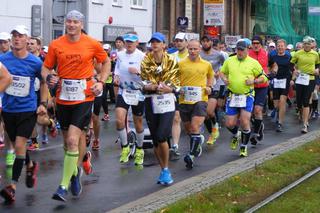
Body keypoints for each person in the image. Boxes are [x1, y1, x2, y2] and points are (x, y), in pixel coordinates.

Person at [40, 10, 110, 202]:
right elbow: (46, 67)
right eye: (68, 22)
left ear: (81, 24)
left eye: (75, 22)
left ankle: (62, 187)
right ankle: (74, 172)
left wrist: (101, 82)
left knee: (72, 140)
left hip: (85, 96)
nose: (71, 25)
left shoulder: (92, 43)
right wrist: (48, 76)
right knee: (67, 142)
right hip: (63, 97)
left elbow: (106, 62)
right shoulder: (56, 44)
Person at [0, 25, 45, 203]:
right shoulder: (3, 60)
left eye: (20, 36)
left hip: (27, 109)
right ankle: (30, 165)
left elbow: (43, 82)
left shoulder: (35, 62)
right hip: (9, 109)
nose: (17, 39)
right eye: (14, 36)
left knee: (19, 144)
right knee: (17, 144)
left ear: (27, 40)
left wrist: (42, 103)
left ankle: (12, 187)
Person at [140, 32, 179, 185]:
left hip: (167, 101)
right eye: (152, 42)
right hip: (151, 100)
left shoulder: (171, 60)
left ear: (164, 45)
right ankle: (163, 170)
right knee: (156, 139)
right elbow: (143, 82)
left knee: (162, 135)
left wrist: (170, 88)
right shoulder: (146, 60)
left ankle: (167, 168)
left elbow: (176, 82)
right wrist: (152, 86)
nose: (154, 45)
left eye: (158, 42)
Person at [221, 40, 267, 157]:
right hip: (233, 95)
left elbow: (264, 77)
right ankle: (237, 134)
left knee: (244, 121)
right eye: (238, 50)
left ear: (247, 50)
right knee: (229, 123)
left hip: (247, 96)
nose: (240, 52)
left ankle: (243, 146)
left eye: (242, 50)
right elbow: (222, 73)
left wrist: (255, 80)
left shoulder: (253, 62)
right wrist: (224, 79)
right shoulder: (230, 60)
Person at [179, 39, 214, 168]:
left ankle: (191, 155)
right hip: (184, 100)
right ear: (188, 49)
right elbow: (175, 79)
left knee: (194, 127)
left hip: (200, 99)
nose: (193, 51)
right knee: (189, 130)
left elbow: (211, 76)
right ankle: (198, 140)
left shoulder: (206, 64)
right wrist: (178, 88)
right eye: (191, 49)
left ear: (199, 49)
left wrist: (209, 86)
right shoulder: (181, 64)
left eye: (195, 49)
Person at [114, 33, 145, 165]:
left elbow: (149, 75)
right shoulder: (120, 55)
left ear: (137, 43)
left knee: (138, 123)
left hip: (138, 92)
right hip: (124, 91)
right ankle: (125, 147)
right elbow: (117, 70)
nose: (129, 43)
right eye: (127, 41)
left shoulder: (143, 56)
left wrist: (138, 72)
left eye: (132, 41)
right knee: (119, 120)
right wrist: (115, 76)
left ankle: (139, 149)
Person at [291, 36, 320, 133]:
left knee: (306, 101)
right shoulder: (298, 53)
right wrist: (295, 70)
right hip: (300, 79)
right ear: (303, 44)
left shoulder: (315, 54)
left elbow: (318, 64)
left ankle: (305, 124)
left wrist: (317, 70)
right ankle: (300, 112)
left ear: (311, 45)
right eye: (305, 44)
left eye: (308, 44)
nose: (307, 45)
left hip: (310, 79)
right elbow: (291, 64)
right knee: (299, 102)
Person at [200, 35, 225, 145]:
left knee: (209, 111)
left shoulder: (218, 55)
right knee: (204, 114)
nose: (205, 43)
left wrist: (219, 72)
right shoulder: (199, 54)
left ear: (211, 42)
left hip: (215, 85)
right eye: (203, 41)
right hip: (202, 86)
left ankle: (215, 124)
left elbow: (225, 66)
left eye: (207, 41)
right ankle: (212, 133)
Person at [169, 32, 188, 158]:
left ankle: (197, 136)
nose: (178, 43)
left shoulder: (192, 54)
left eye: (181, 41)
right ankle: (175, 145)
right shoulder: (171, 56)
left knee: (190, 123)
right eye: (176, 41)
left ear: (186, 42)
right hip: (176, 90)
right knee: (176, 118)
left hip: (191, 91)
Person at [248, 35, 269, 146]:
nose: (255, 45)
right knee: (249, 112)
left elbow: (274, 65)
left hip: (262, 86)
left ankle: (255, 134)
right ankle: (259, 126)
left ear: (261, 44)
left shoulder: (267, 54)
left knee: (257, 110)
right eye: (254, 43)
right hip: (249, 87)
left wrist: (272, 72)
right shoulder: (247, 54)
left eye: (258, 43)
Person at [268, 39, 292, 132]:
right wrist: (271, 72)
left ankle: (280, 123)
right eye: (279, 46)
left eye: (282, 46)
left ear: (285, 47)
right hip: (276, 81)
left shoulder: (288, 56)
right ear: (277, 47)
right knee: (276, 104)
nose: (280, 47)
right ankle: (277, 112)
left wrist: (292, 79)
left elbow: (292, 68)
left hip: (285, 80)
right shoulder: (273, 56)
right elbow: (269, 67)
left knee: (282, 101)